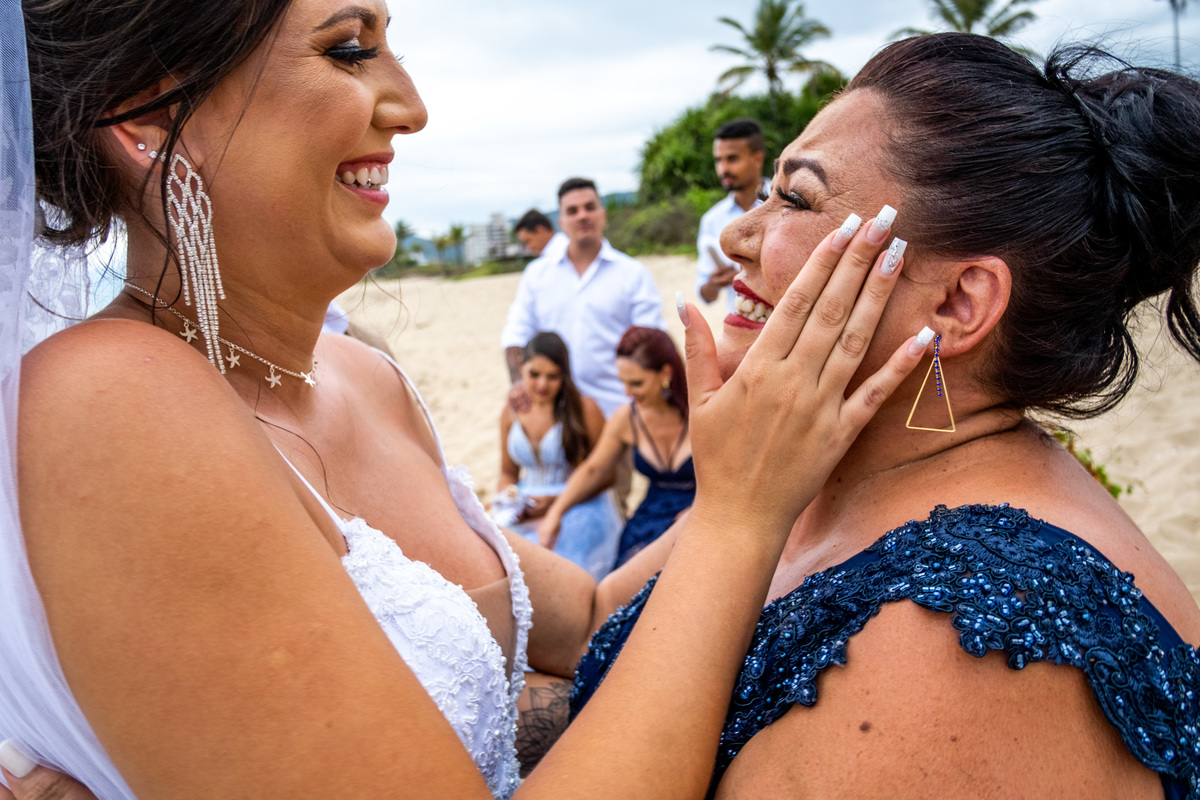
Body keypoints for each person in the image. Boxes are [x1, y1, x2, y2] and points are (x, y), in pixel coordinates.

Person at [0, 1, 927, 799]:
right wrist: (736, 522)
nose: (410, 106)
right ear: (149, 114)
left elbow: (597, 620)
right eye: (349, 49)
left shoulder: (367, 379)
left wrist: (798, 439)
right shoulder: (113, 399)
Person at [572, 34, 1200, 797]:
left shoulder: (969, 638)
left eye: (795, 199)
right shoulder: (805, 471)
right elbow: (597, 614)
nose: (735, 237)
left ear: (956, 304)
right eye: (767, 192)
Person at [500, 177, 667, 418]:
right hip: (556, 414)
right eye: (572, 210)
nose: (582, 216)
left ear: (603, 214)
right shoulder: (537, 275)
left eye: (590, 207)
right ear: (561, 221)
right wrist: (518, 382)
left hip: (619, 411)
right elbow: (517, 333)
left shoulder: (632, 274)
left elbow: (652, 340)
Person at [539, 327, 694, 569]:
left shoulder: (701, 409)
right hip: (650, 518)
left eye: (636, 383)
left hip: (702, 513)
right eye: (623, 382)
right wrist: (555, 513)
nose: (627, 392)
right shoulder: (627, 418)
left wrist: (697, 512)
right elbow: (593, 469)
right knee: (627, 578)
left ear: (665, 373)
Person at [495, 332, 622, 580]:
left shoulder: (585, 409)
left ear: (564, 374)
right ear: (521, 368)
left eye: (552, 376)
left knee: (559, 570)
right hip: (527, 505)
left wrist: (556, 501)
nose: (542, 384)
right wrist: (511, 498)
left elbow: (608, 475)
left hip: (579, 503)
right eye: (534, 374)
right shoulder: (511, 413)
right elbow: (507, 472)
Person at [696, 118, 769, 312]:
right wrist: (715, 282)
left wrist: (743, 272)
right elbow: (706, 294)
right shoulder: (712, 220)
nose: (723, 169)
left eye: (732, 158)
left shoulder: (787, 202)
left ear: (757, 159)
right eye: (718, 160)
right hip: (743, 325)